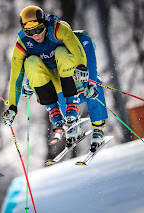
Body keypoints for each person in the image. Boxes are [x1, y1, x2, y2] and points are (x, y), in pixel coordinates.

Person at [2, 6, 88, 142]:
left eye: (38, 29)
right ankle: (53, 109)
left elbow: (77, 49)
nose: (36, 35)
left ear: (44, 23)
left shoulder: (57, 29)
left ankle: (72, 104)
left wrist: (82, 66)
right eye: (29, 32)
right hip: (49, 83)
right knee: (30, 62)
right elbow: (15, 78)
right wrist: (12, 106)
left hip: (68, 76)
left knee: (61, 52)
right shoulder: (22, 45)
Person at [22, 21, 108, 152]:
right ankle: (72, 123)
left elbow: (91, 63)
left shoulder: (82, 40)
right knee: (60, 89)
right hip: (67, 85)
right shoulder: (52, 45)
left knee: (96, 86)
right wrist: (29, 83)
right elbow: (44, 67)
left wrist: (91, 83)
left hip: (80, 82)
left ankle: (98, 126)